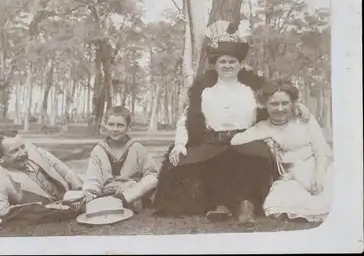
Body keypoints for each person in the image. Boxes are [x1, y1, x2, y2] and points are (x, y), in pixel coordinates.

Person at [152, 22, 310, 226]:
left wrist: (299, 106)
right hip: (212, 141)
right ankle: (220, 206)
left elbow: (279, 100)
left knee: (252, 159)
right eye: (223, 62)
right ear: (215, 64)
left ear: (239, 64)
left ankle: (246, 206)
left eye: (232, 62)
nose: (227, 66)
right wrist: (181, 144)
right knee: (187, 163)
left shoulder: (254, 88)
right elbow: (186, 119)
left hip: (247, 138)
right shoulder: (203, 90)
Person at [231, 79, 334, 222]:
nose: (280, 109)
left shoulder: (304, 119)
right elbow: (235, 140)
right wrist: (267, 135)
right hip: (291, 177)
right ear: (264, 104)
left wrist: (319, 176)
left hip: (319, 169)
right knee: (279, 202)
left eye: (285, 103)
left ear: (292, 103)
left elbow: (321, 150)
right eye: (274, 104)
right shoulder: (262, 127)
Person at [0, 129, 83, 221]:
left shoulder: (31, 148)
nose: (23, 153)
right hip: (52, 212)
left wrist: (80, 188)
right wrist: (42, 208)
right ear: (0, 157)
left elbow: (61, 168)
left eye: (22, 147)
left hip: (70, 194)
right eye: (14, 151)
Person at [80, 106, 159, 213]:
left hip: (129, 193)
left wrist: (133, 191)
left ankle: (121, 202)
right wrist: (90, 192)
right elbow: (94, 177)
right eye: (111, 124)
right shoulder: (98, 150)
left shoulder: (137, 148)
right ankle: (103, 203)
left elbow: (152, 174)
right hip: (106, 192)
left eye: (120, 125)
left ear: (128, 127)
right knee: (83, 183)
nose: (115, 129)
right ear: (105, 124)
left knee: (152, 180)